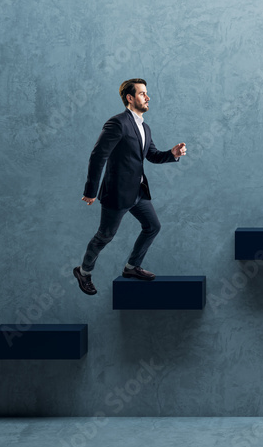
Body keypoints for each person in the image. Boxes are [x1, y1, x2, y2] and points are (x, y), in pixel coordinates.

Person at [73, 78, 186, 295]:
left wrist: (172, 154)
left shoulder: (145, 127)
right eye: (143, 94)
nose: (148, 97)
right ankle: (84, 272)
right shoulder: (117, 123)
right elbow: (98, 156)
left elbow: (151, 155)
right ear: (130, 98)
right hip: (116, 194)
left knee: (153, 226)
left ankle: (132, 267)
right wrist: (90, 191)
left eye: (147, 93)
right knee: (105, 236)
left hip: (138, 192)